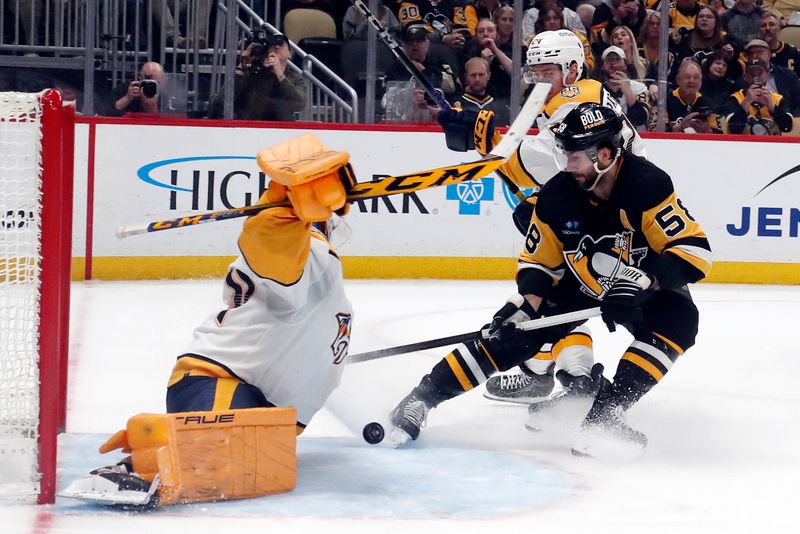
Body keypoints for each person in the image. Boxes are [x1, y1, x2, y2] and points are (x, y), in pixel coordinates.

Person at [388, 103, 712, 457]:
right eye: (565, 153)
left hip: (641, 278)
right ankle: (419, 400)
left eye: (575, 156)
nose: (567, 164)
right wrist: (527, 307)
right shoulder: (557, 195)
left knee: (678, 321)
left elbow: (694, 252)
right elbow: (538, 263)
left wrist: (645, 283)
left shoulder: (648, 185)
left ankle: (605, 415)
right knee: (511, 337)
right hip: (578, 280)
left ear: (605, 154)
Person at [60, 133, 356, 507]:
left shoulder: (327, 275)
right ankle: (139, 465)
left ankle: (172, 446)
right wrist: (281, 211)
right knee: (205, 464)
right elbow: (275, 252)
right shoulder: (310, 253)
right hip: (221, 381)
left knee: (235, 470)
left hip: (269, 413)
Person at [437, 30, 647, 408]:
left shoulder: (575, 100)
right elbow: (557, 171)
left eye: (546, 71)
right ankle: (549, 375)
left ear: (571, 69)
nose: (538, 80)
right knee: (552, 298)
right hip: (606, 216)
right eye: (534, 71)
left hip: (606, 224)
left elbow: (542, 162)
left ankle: (574, 380)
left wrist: (489, 142)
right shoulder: (580, 97)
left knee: (548, 300)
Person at [207, 32, 305, 121]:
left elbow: (299, 104)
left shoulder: (295, 77)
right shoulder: (253, 73)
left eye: (281, 45)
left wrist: (279, 74)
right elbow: (219, 102)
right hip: (251, 129)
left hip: (282, 130)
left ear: (290, 54)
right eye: (272, 45)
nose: (277, 47)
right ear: (266, 52)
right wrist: (241, 68)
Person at [722, 57, 795, 134]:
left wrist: (772, 107)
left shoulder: (778, 99)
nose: (756, 78)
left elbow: (787, 127)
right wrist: (747, 101)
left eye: (760, 73)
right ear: (745, 77)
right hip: (744, 145)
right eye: (752, 73)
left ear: (767, 76)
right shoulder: (735, 98)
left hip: (772, 145)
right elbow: (733, 130)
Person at [593, 45, 652, 130]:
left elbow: (640, 119)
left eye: (617, 59)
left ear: (625, 64)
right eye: (609, 60)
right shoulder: (596, 90)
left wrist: (628, 92)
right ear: (602, 65)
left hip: (638, 138)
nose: (613, 63)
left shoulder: (639, 88)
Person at [741, 38, 800, 114]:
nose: (755, 56)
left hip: (784, 119)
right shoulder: (743, 77)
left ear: (769, 54)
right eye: (751, 53)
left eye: (759, 52)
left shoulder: (787, 75)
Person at [666, 58, 717, 133]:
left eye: (696, 77)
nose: (691, 81)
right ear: (678, 80)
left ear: (701, 81)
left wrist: (707, 131)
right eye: (687, 77)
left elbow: (721, 135)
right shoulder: (664, 102)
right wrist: (678, 128)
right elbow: (653, 133)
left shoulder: (711, 104)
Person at [759, 10, 800, 77]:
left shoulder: (793, 53)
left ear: (779, 28)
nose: (767, 28)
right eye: (763, 25)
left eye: (771, 24)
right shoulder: (754, 53)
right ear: (759, 31)